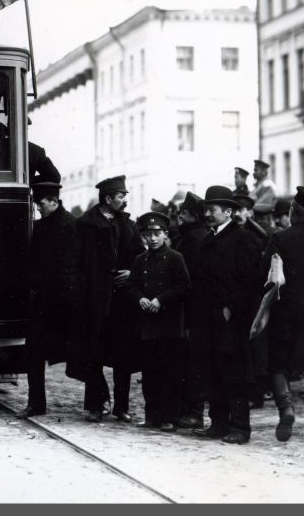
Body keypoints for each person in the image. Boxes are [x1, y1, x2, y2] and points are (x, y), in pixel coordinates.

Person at [191, 185, 261, 445]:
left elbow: (251, 281)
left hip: (233, 320)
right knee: (213, 370)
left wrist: (231, 308)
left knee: (235, 372)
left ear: (228, 211)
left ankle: (240, 427)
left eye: (212, 209)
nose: (207, 214)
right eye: (206, 210)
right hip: (208, 318)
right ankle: (218, 424)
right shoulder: (208, 241)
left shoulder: (244, 239)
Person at [74, 175, 145, 423]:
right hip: (94, 301)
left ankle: (121, 407)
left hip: (122, 303)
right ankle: (96, 404)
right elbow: (76, 264)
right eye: (121, 196)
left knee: (123, 356)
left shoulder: (129, 225)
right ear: (108, 198)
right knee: (93, 354)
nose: (125, 200)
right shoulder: (85, 226)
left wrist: (132, 273)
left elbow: (141, 258)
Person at [258, 187, 304, 442]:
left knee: (278, 365)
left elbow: (266, 274)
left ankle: (286, 409)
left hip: (284, 313)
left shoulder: (279, 238)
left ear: (293, 211)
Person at [21, 178, 81, 417]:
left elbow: (74, 267)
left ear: (54, 201)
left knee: (82, 352)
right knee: (33, 351)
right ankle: (36, 403)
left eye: (41, 204)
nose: (38, 208)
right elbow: (32, 262)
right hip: (43, 303)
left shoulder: (72, 225)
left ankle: (99, 400)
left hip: (67, 303)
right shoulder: (40, 227)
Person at [129, 211, 190, 431]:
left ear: (165, 234)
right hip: (148, 326)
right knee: (150, 373)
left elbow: (184, 287)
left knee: (170, 373)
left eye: (157, 234)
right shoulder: (140, 260)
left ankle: (169, 418)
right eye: (148, 234)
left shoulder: (175, 258)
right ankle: (152, 415)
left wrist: (160, 300)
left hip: (170, 325)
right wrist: (140, 298)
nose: (153, 238)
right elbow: (132, 286)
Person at [175, 192, 209, 429]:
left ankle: (194, 412)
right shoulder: (194, 235)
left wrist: (187, 320)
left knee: (192, 363)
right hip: (193, 311)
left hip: (192, 312)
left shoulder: (193, 239)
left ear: (192, 215)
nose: (180, 216)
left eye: (184, 213)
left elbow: (191, 281)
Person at [251, 159, 277, 228]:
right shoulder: (258, 185)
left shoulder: (268, 185)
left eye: (256, 170)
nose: (254, 173)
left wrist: (250, 206)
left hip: (264, 221)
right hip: (257, 220)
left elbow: (266, 204)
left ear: (264, 172)